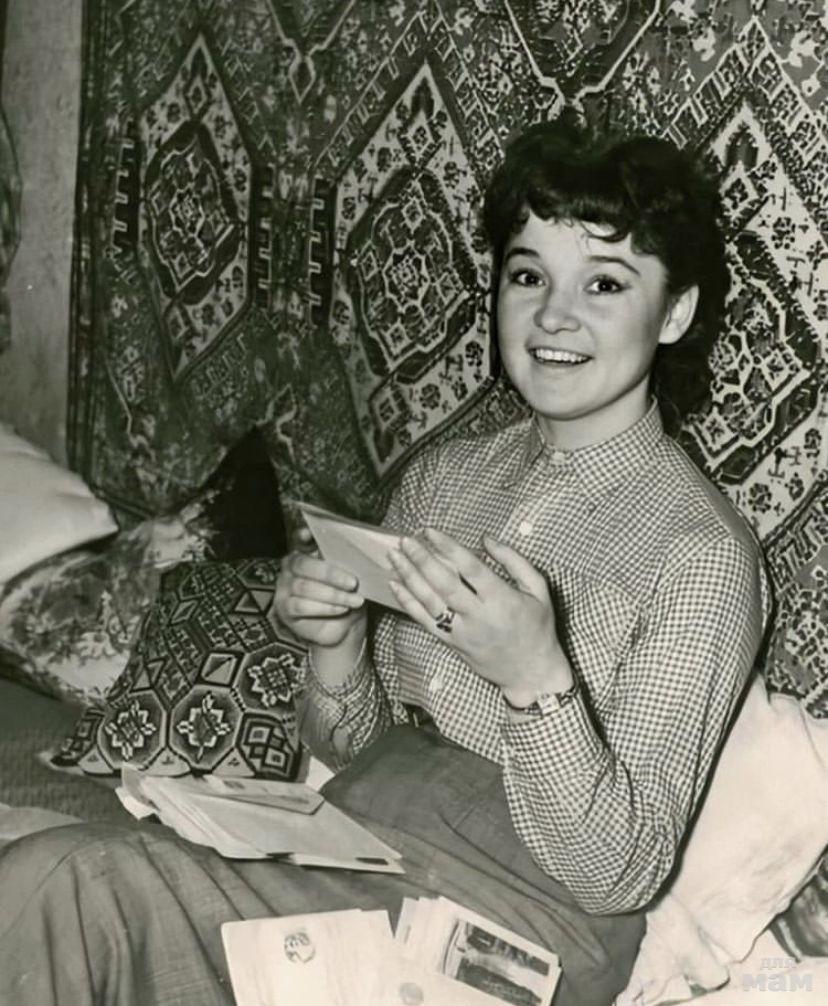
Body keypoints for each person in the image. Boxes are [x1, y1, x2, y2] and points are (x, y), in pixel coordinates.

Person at [0, 119, 769, 1006]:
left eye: (604, 283)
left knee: (72, 888)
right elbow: (360, 746)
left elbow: (617, 873)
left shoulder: (702, 554)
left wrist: (536, 680)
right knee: (62, 877)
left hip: (521, 922)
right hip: (357, 845)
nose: (555, 316)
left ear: (674, 312)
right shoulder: (447, 479)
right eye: (528, 276)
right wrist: (336, 650)